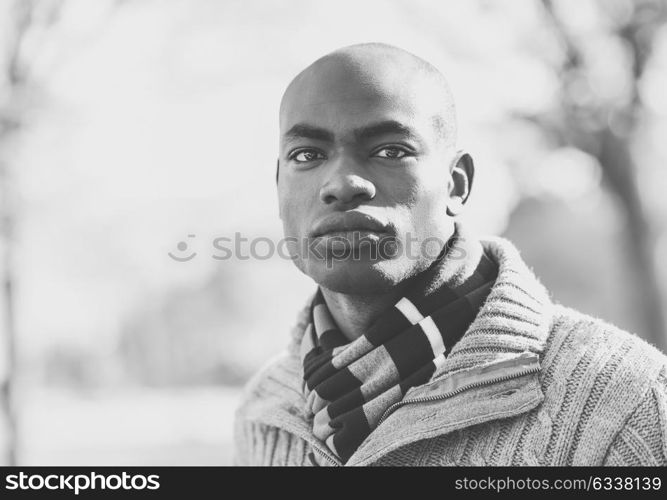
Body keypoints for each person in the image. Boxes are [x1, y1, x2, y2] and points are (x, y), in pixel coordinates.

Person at [233, 43, 667, 466]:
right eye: (307, 155)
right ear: (278, 188)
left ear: (456, 184)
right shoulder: (264, 412)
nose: (342, 183)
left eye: (390, 151)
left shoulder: (628, 405)